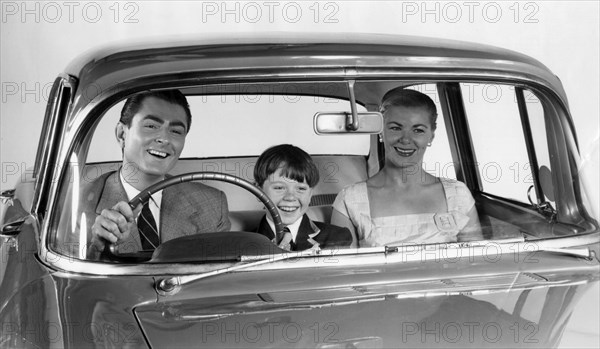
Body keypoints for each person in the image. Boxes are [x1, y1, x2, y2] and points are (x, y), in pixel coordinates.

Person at [84, 90, 231, 259]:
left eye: (175, 131)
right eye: (151, 126)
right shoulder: (73, 206)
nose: (164, 139)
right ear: (122, 134)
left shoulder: (212, 205)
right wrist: (97, 247)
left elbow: (216, 279)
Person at [331, 88, 482, 247]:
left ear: (431, 135)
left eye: (418, 130)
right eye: (396, 128)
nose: (406, 139)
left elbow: (478, 264)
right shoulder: (349, 201)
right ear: (381, 132)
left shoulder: (459, 196)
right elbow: (342, 270)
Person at [253, 144, 353, 251]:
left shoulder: (336, 237)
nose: (290, 197)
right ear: (258, 192)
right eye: (279, 187)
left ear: (310, 194)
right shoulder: (244, 243)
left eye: (301, 189)